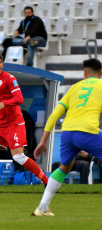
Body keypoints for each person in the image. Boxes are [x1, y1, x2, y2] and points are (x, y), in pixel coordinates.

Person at [32, 58, 102, 216]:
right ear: (101, 74)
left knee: (65, 167)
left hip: (67, 133)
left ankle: (42, 207)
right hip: (87, 132)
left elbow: (54, 114)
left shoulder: (74, 87)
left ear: (85, 73)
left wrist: (43, 141)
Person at [0, 52, 48, 199]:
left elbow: (19, 99)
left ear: (2, 64)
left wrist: (4, 103)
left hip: (14, 123)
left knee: (19, 157)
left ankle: (47, 182)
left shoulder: (9, 78)